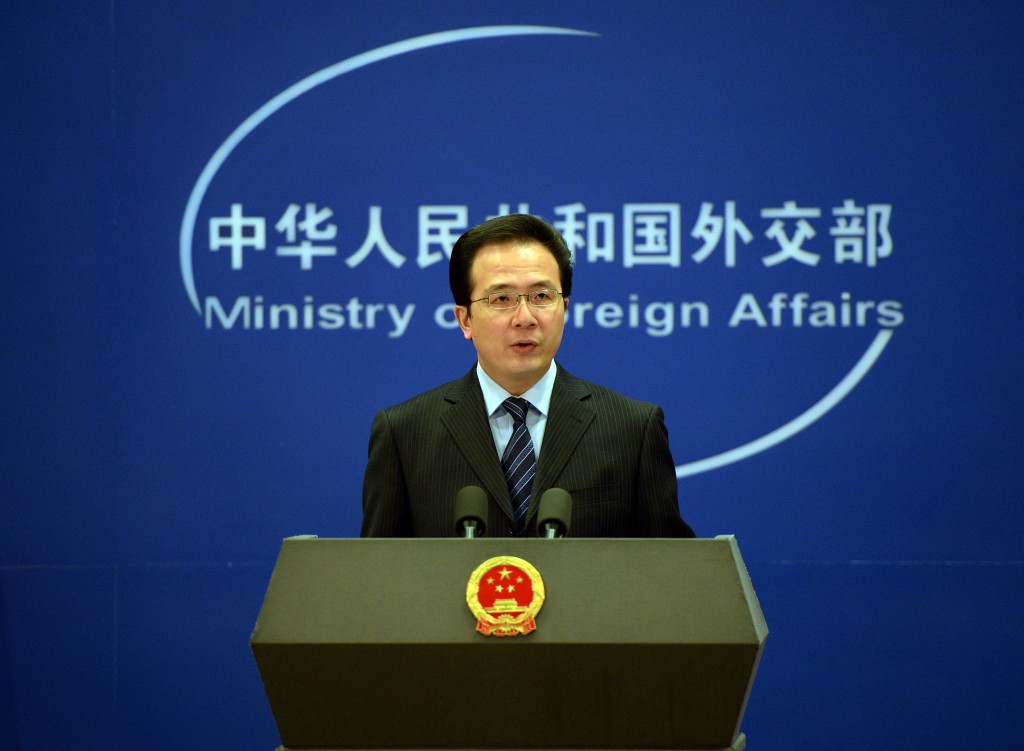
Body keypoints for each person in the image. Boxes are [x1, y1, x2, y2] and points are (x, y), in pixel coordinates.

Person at [360, 214, 695, 538]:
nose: (525, 317)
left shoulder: (633, 429)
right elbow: (378, 574)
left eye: (541, 296)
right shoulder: (404, 433)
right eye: (502, 298)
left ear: (565, 308)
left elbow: (669, 573)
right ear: (465, 320)